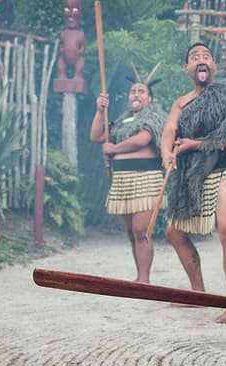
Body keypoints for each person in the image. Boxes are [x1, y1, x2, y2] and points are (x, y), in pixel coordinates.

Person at [160, 42, 226, 324]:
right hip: (192, 175)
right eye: (194, 57)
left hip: (222, 169)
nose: (201, 60)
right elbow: (169, 130)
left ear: (214, 66)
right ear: (187, 68)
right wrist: (166, 153)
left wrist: (194, 145)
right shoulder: (182, 102)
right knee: (174, 233)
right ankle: (198, 291)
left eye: (206, 56)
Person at [90, 67, 166, 284]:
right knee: (131, 232)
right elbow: (96, 136)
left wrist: (113, 149)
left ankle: (144, 280)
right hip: (123, 180)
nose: (136, 94)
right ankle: (139, 276)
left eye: (141, 91)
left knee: (141, 230)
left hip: (145, 178)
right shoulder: (123, 121)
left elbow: (142, 139)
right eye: (133, 91)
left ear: (149, 98)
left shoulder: (154, 116)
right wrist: (99, 111)